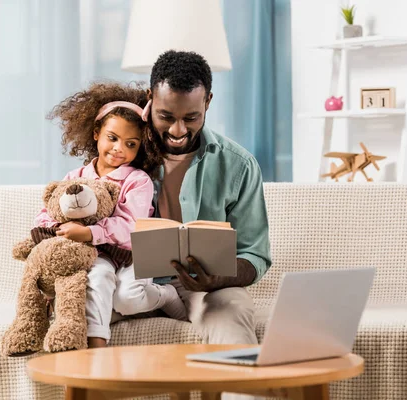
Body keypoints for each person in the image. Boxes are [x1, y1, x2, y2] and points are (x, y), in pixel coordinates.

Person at [35, 81, 187, 349]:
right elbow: (50, 210)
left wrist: (90, 232)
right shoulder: (76, 177)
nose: (119, 149)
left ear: (141, 146)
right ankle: (97, 346)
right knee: (98, 277)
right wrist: (54, 228)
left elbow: (132, 226)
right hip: (96, 256)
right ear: (96, 134)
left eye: (131, 143)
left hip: (130, 255)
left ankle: (165, 295)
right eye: (113, 138)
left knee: (126, 299)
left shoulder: (137, 180)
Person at [144, 50, 272, 344]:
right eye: (166, 116)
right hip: (131, 284)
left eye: (191, 117)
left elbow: (255, 253)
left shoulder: (238, 164)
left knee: (233, 314)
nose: (178, 130)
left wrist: (219, 279)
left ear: (208, 102)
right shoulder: (121, 150)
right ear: (149, 97)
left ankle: (242, 389)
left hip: (208, 289)